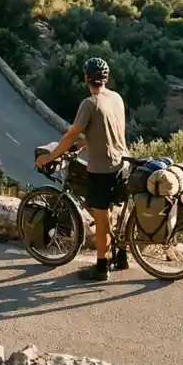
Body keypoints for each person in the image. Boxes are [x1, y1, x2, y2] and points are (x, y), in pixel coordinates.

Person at [36, 56, 128, 281]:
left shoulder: (89, 104)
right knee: (113, 212)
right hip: (123, 163)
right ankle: (122, 256)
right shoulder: (115, 98)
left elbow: (71, 135)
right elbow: (105, 129)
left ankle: (101, 267)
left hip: (103, 169)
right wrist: (81, 145)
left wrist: (50, 156)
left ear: (86, 78)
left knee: (101, 217)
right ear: (106, 78)